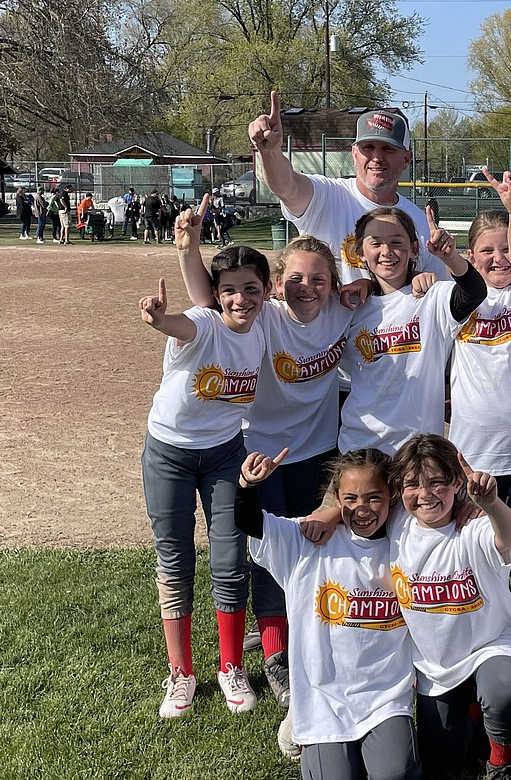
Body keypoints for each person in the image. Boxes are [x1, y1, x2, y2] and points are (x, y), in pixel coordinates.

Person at [174, 197, 358, 711]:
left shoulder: (345, 310)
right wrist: (189, 250)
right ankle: (276, 654)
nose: (307, 287)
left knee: (312, 543)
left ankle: (312, 632)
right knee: (266, 550)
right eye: (296, 278)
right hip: (260, 452)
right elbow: (211, 306)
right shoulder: (266, 316)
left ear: (334, 283)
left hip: (318, 450)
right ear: (278, 283)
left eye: (320, 278)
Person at [138, 245, 271, 720]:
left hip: (225, 454)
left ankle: (230, 666)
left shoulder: (263, 325)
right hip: (168, 453)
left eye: (251, 289)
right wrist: (158, 319)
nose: (240, 299)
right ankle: (181, 673)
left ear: (266, 291)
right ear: (215, 294)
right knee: (174, 557)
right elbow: (181, 324)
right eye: (229, 290)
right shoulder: (204, 323)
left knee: (231, 556)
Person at [236, 447, 420, 780]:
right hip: (322, 696)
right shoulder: (307, 540)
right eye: (350, 499)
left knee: (394, 773)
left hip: (384, 696)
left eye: (373, 498)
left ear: (391, 496)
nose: (361, 509)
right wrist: (248, 486)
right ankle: (302, 725)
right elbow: (249, 522)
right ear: (335, 498)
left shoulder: (408, 540)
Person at [387, 435, 511, 780]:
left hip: (491, 645)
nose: (425, 495)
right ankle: (472, 712)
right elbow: (353, 485)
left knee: (503, 695)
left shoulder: (473, 526)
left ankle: (501, 762)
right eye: (412, 485)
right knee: (445, 759)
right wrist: (329, 514)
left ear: (455, 483)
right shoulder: (395, 524)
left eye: (437, 482)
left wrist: (492, 504)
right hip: (437, 664)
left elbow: (510, 539)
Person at [248, 92, 446, 282]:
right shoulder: (328, 195)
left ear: (406, 159)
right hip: (326, 317)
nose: (376, 158)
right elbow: (287, 188)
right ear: (354, 153)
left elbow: (434, 287)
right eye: (367, 148)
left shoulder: (418, 223)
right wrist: (271, 152)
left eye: (388, 149)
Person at [337, 206, 486, 455]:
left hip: (417, 449)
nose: (387, 252)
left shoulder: (432, 297)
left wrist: (450, 258)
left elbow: (474, 292)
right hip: (359, 444)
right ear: (360, 252)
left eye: (397, 242)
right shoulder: (352, 306)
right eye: (376, 243)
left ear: (414, 248)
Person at [447, 171, 511, 507]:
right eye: (487, 250)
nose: (498, 257)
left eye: (505, 248)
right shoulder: (453, 299)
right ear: (471, 256)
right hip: (474, 451)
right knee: (477, 551)